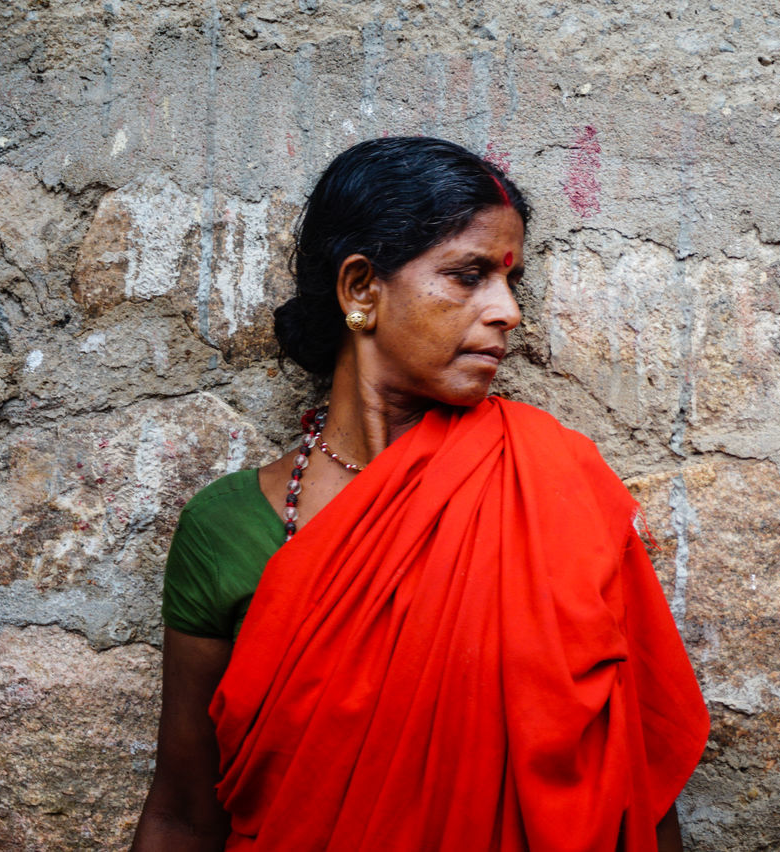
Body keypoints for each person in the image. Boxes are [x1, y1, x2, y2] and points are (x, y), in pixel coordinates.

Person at [131, 137, 709, 852]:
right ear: (361, 289)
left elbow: (639, 787)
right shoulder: (228, 528)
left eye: (510, 280)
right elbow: (183, 813)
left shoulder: (555, 486)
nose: (508, 312)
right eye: (469, 276)